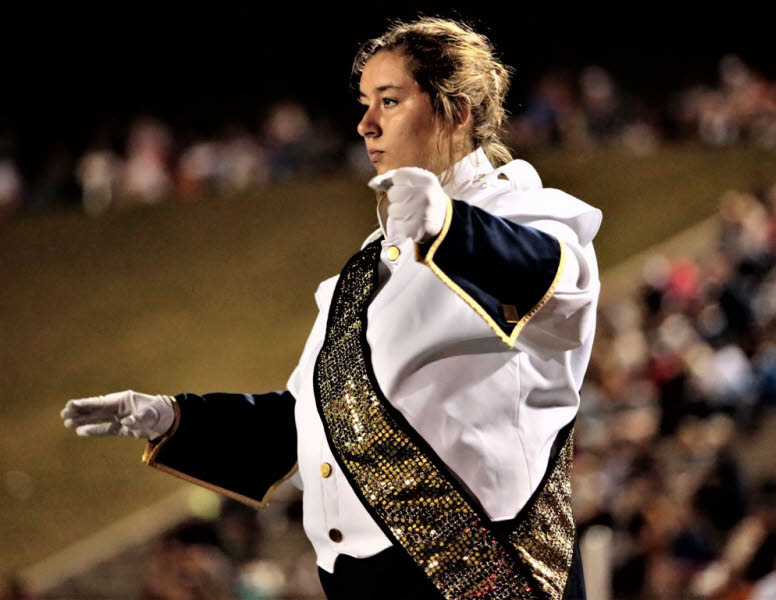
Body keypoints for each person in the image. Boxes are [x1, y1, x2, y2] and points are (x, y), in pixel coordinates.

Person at [61, 17, 601, 600]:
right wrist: (171, 417)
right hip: (360, 583)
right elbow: (311, 418)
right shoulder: (365, 269)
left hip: (483, 577)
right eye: (365, 103)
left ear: (456, 112)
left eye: (389, 101)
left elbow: (560, 292)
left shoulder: (523, 211)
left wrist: (448, 224)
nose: (365, 124)